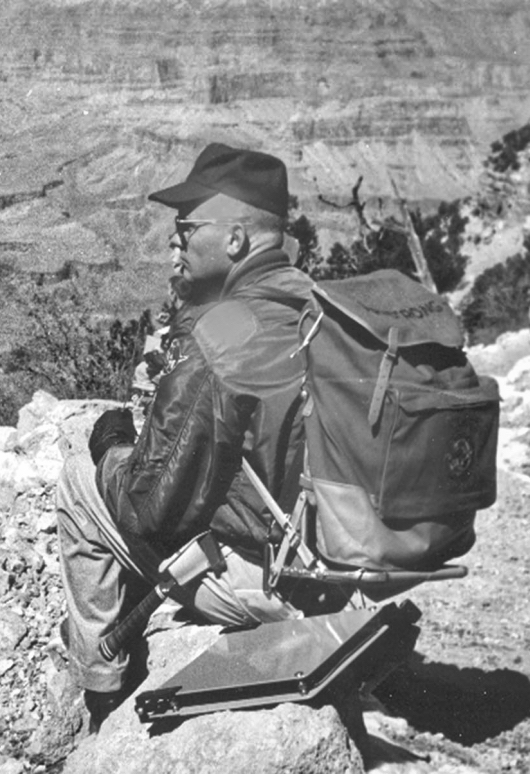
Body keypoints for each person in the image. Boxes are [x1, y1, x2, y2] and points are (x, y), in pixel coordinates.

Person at [56, 144, 332, 730]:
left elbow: (147, 510)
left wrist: (111, 449)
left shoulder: (227, 332)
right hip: (335, 572)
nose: (172, 244)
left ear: (234, 240)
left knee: (81, 483)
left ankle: (103, 691)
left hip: (270, 585)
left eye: (186, 230)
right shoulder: (317, 305)